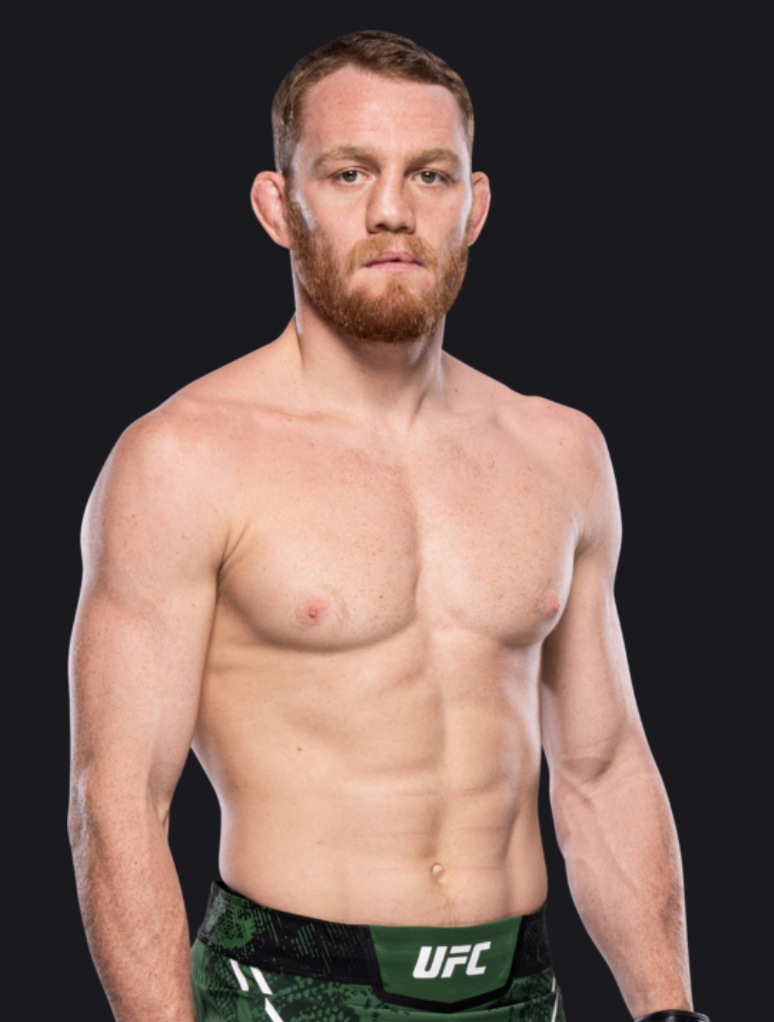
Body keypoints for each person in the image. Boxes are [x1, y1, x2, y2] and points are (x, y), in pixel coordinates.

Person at [68, 30, 710, 1022]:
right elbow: (116, 803)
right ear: (278, 206)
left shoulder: (561, 451)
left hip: (521, 988)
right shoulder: (182, 458)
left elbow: (601, 765)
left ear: (474, 207)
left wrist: (669, 1010)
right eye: (349, 172)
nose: (392, 210)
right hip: (288, 988)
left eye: (429, 174)